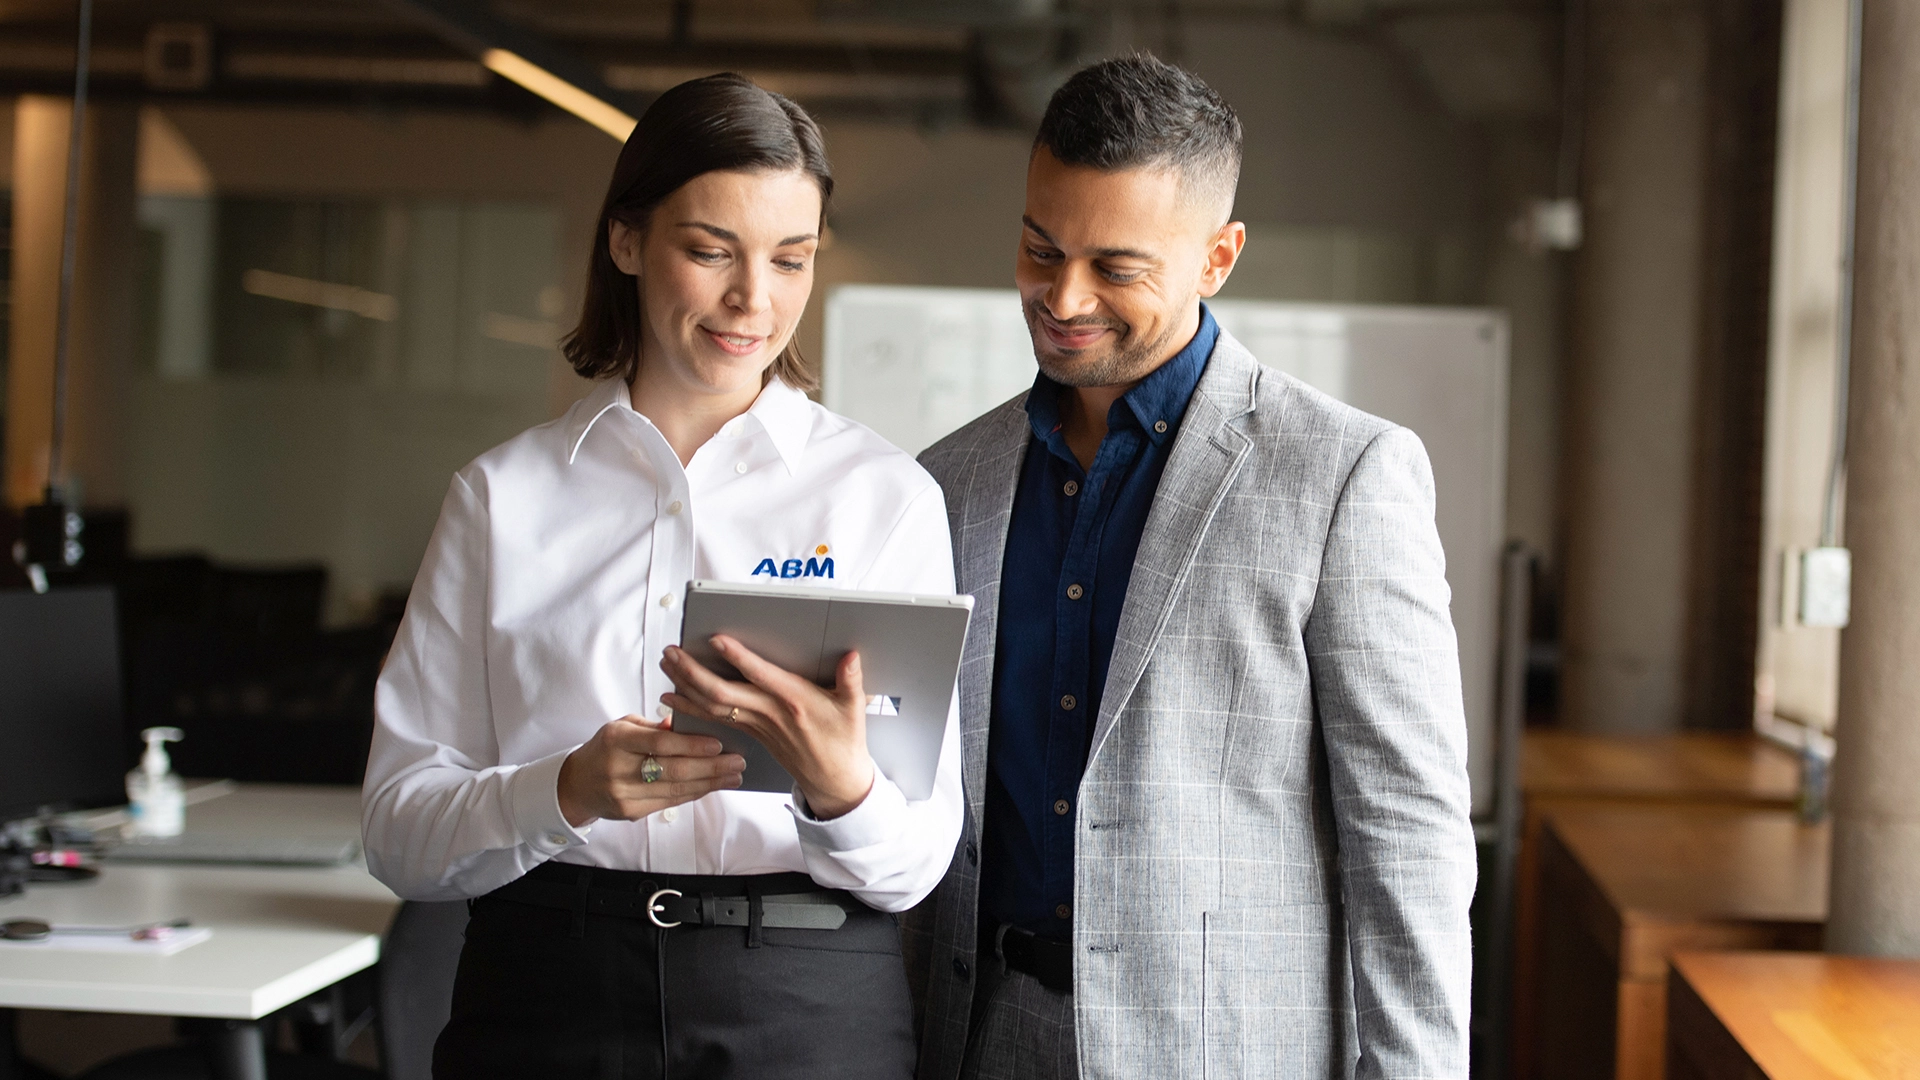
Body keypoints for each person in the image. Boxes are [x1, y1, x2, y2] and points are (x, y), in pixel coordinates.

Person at [361, 74, 962, 1080]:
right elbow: (397, 833)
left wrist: (840, 786)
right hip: (547, 993)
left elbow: (915, 865)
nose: (753, 301)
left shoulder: (880, 498)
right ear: (628, 241)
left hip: (803, 1003)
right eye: (710, 250)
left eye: (790, 259)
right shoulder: (502, 498)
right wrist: (563, 789)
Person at [903, 55, 1477, 1079]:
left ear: (1219, 257)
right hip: (981, 1036)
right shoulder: (946, 483)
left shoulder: (1346, 474)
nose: (1063, 295)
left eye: (1116, 267)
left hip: (1227, 1053)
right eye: (1041, 248)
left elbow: (1408, 837)